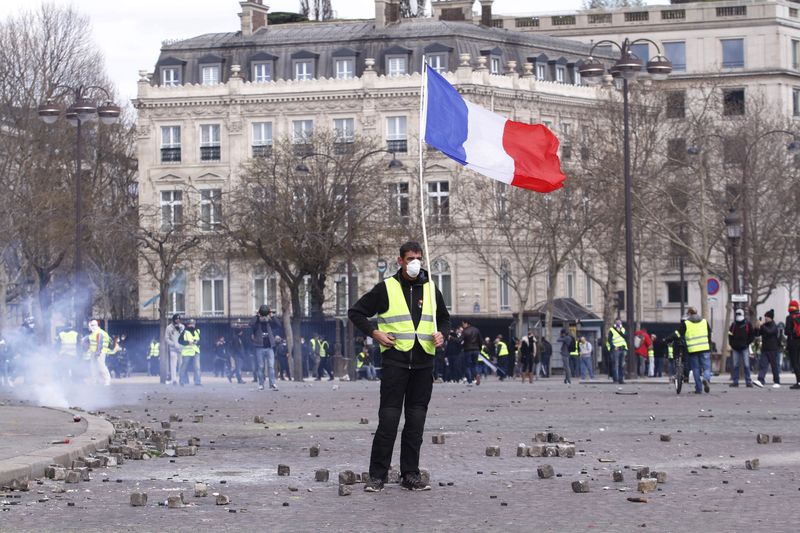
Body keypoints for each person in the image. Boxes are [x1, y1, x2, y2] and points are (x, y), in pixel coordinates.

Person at [348, 241, 450, 492]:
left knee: (416, 422)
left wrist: (442, 335)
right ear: (400, 261)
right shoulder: (386, 288)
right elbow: (356, 312)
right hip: (396, 362)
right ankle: (377, 476)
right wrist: (375, 333)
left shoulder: (432, 289)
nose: (415, 262)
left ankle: (410, 475)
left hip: (424, 362)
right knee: (389, 420)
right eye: (410, 258)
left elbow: (444, 318)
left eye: (418, 258)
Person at [679, 307, 712, 394]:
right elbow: (709, 333)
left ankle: (698, 388)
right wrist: (708, 343)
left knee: (695, 369)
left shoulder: (686, 323)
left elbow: (680, 335)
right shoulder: (704, 321)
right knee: (706, 367)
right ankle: (705, 378)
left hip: (693, 349)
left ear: (689, 313)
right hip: (704, 347)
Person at [251, 305, 280, 390]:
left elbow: (278, 324)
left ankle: (272, 384)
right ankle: (261, 384)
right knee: (261, 367)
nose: (264, 317)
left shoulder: (270, 322)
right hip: (259, 347)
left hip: (269, 347)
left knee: (271, 366)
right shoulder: (256, 323)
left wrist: (272, 315)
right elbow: (251, 323)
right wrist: (257, 315)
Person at [728, 308, 756, 387]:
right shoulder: (733, 325)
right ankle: (736, 381)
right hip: (736, 347)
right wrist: (732, 344)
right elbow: (730, 335)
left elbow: (751, 335)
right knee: (736, 365)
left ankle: (747, 381)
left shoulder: (747, 324)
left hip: (743, 347)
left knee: (746, 365)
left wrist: (747, 343)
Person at [756, 309, 781, 388]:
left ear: (771, 318)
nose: (766, 318)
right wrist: (757, 327)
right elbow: (757, 334)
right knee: (763, 365)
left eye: (767, 317)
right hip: (765, 349)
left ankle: (776, 381)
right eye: (765, 316)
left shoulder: (774, 326)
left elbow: (769, 332)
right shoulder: (764, 325)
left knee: (774, 366)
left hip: (773, 349)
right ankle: (760, 380)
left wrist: (762, 326)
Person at [85, 319, 112, 386]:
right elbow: (90, 342)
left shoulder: (99, 333)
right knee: (93, 367)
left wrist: (98, 352)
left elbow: (100, 343)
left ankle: (107, 380)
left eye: (91, 326)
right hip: (94, 352)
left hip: (100, 352)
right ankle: (95, 381)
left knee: (101, 366)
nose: (89, 327)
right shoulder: (93, 333)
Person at [178, 318, 202, 386]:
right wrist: (188, 342)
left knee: (197, 367)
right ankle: (181, 381)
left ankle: (197, 382)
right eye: (190, 324)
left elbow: (201, 340)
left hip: (196, 351)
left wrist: (197, 342)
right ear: (188, 325)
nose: (192, 325)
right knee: (184, 367)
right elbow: (180, 341)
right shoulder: (184, 332)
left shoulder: (197, 331)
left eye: (193, 324)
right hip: (187, 352)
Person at [460, 319, 482, 385]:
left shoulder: (465, 331)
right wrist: (479, 349)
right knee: (475, 365)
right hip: (476, 350)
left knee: (467, 366)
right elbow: (480, 340)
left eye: (463, 324)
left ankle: (470, 381)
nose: (462, 325)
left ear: (466, 323)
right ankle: (476, 375)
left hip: (467, 350)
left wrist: (451, 337)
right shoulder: (476, 330)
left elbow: (459, 340)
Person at [784, 300, 800, 389]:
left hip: (793, 342)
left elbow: (787, 332)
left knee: (795, 363)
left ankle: (798, 382)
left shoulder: (789, 317)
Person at [165, 314, 184, 385]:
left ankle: (181, 379)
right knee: (173, 365)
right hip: (173, 349)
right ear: (173, 319)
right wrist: (173, 344)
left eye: (179, 319)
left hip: (181, 348)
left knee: (181, 364)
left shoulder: (182, 327)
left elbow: (184, 337)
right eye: (176, 319)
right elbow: (166, 338)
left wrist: (182, 345)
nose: (178, 320)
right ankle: (174, 380)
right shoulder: (169, 327)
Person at [607, 319, 627, 384]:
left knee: (622, 365)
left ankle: (621, 380)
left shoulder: (623, 329)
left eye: (620, 322)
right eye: (617, 322)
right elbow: (609, 340)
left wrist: (620, 331)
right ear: (615, 323)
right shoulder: (612, 330)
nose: (619, 323)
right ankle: (615, 379)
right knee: (615, 365)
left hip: (622, 349)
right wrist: (613, 347)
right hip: (616, 349)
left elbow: (626, 337)